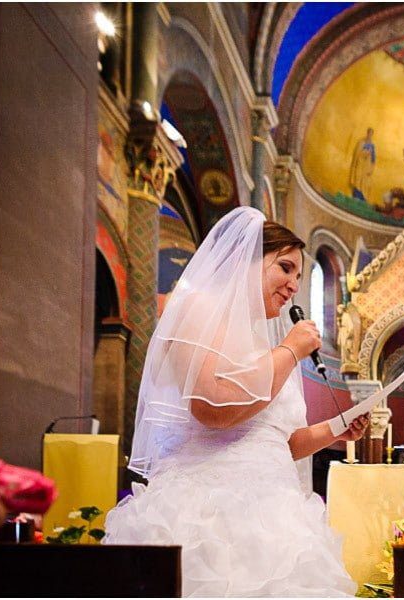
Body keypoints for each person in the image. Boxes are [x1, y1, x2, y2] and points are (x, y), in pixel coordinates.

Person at [104, 207, 368, 597]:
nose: (294, 284)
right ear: (247, 261)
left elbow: (281, 442)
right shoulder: (199, 309)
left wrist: (336, 429)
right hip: (211, 515)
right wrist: (290, 351)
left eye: (299, 275)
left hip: (276, 516)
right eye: (285, 268)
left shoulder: (268, 345)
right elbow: (212, 408)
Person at [349, 127, 375, 202]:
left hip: (367, 166)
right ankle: (356, 196)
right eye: (369, 133)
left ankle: (362, 198)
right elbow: (357, 154)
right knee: (358, 179)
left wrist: (371, 168)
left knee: (365, 182)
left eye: (371, 134)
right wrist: (365, 153)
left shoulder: (372, 146)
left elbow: (373, 158)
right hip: (360, 164)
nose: (370, 135)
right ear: (367, 133)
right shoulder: (361, 143)